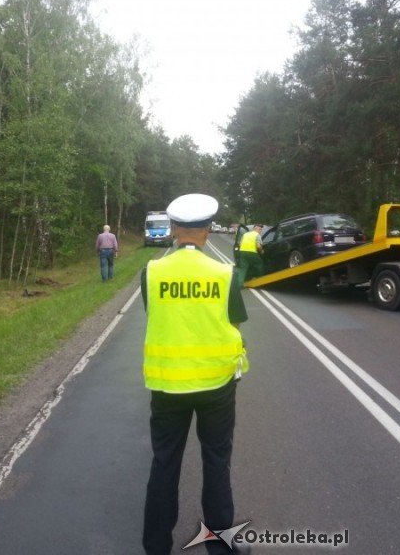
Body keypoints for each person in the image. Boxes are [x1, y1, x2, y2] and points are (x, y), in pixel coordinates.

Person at [140, 193, 250, 555]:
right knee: (216, 463)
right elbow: (233, 322)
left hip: (167, 385)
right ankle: (221, 548)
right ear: (205, 231)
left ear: (173, 230)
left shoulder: (152, 272)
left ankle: (156, 547)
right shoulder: (224, 273)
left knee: (164, 463)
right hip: (216, 385)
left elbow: (154, 315)